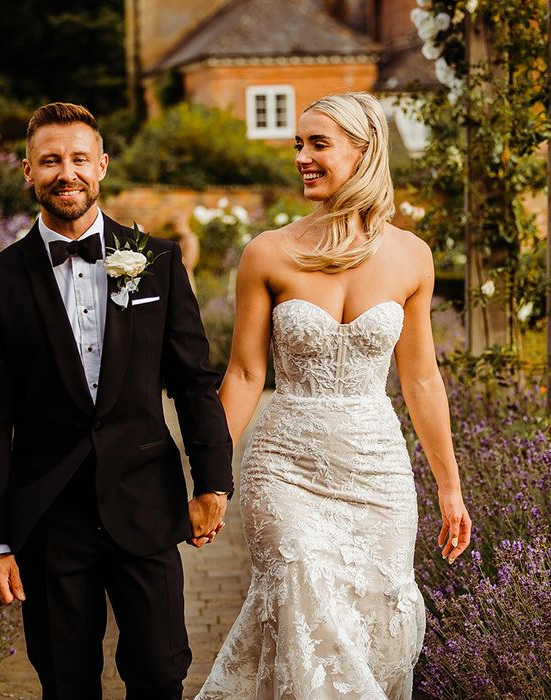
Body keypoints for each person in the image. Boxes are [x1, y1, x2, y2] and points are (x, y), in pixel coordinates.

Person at [196, 92, 471, 699]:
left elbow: (421, 379)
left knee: (373, 628)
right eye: (299, 143)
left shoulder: (412, 256)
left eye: (318, 143)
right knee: (299, 586)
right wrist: (208, 479)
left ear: (363, 150)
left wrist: (449, 487)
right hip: (284, 466)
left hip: (377, 474)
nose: (301, 157)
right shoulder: (268, 252)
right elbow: (243, 376)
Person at [0, 102, 233, 699]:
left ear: (102, 165)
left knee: (162, 671)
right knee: (66, 682)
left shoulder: (157, 260)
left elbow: (192, 380)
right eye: (50, 160)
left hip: (145, 502)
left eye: (79, 158)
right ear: (26, 171)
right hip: (48, 516)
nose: (67, 173)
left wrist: (212, 482)